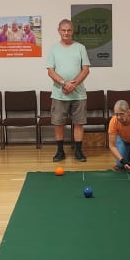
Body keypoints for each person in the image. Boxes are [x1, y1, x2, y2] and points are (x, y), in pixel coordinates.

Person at [46, 18, 90, 162]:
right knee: (59, 123)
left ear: (73, 31)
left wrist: (73, 85)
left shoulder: (80, 48)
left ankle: (78, 152)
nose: (66, 33)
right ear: (59, 31)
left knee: (79, 123)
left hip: (79, 94)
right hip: (59, 94)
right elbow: (50, 71)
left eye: (69, 30)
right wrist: (64, 83)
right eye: (63, 30)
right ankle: (60, 152)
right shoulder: (53, 49)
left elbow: (86, 70)